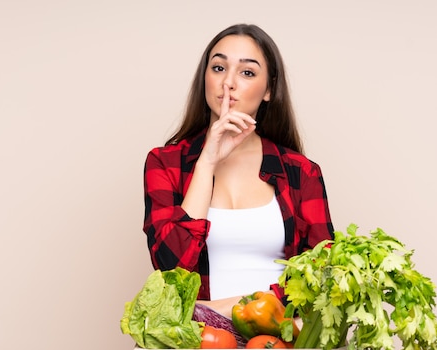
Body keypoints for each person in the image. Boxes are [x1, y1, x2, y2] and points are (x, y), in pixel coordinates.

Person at [143, 24, 334, 317]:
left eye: (247, 72)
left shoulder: (301, 172)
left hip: (279, 343)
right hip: (198, 346)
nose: (228, 83)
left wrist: (224, 309)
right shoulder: (165, 163)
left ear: (269, 89)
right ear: (204, 78)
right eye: (218, 68)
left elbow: (320, 277)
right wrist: (206, 163)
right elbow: (171, 268)